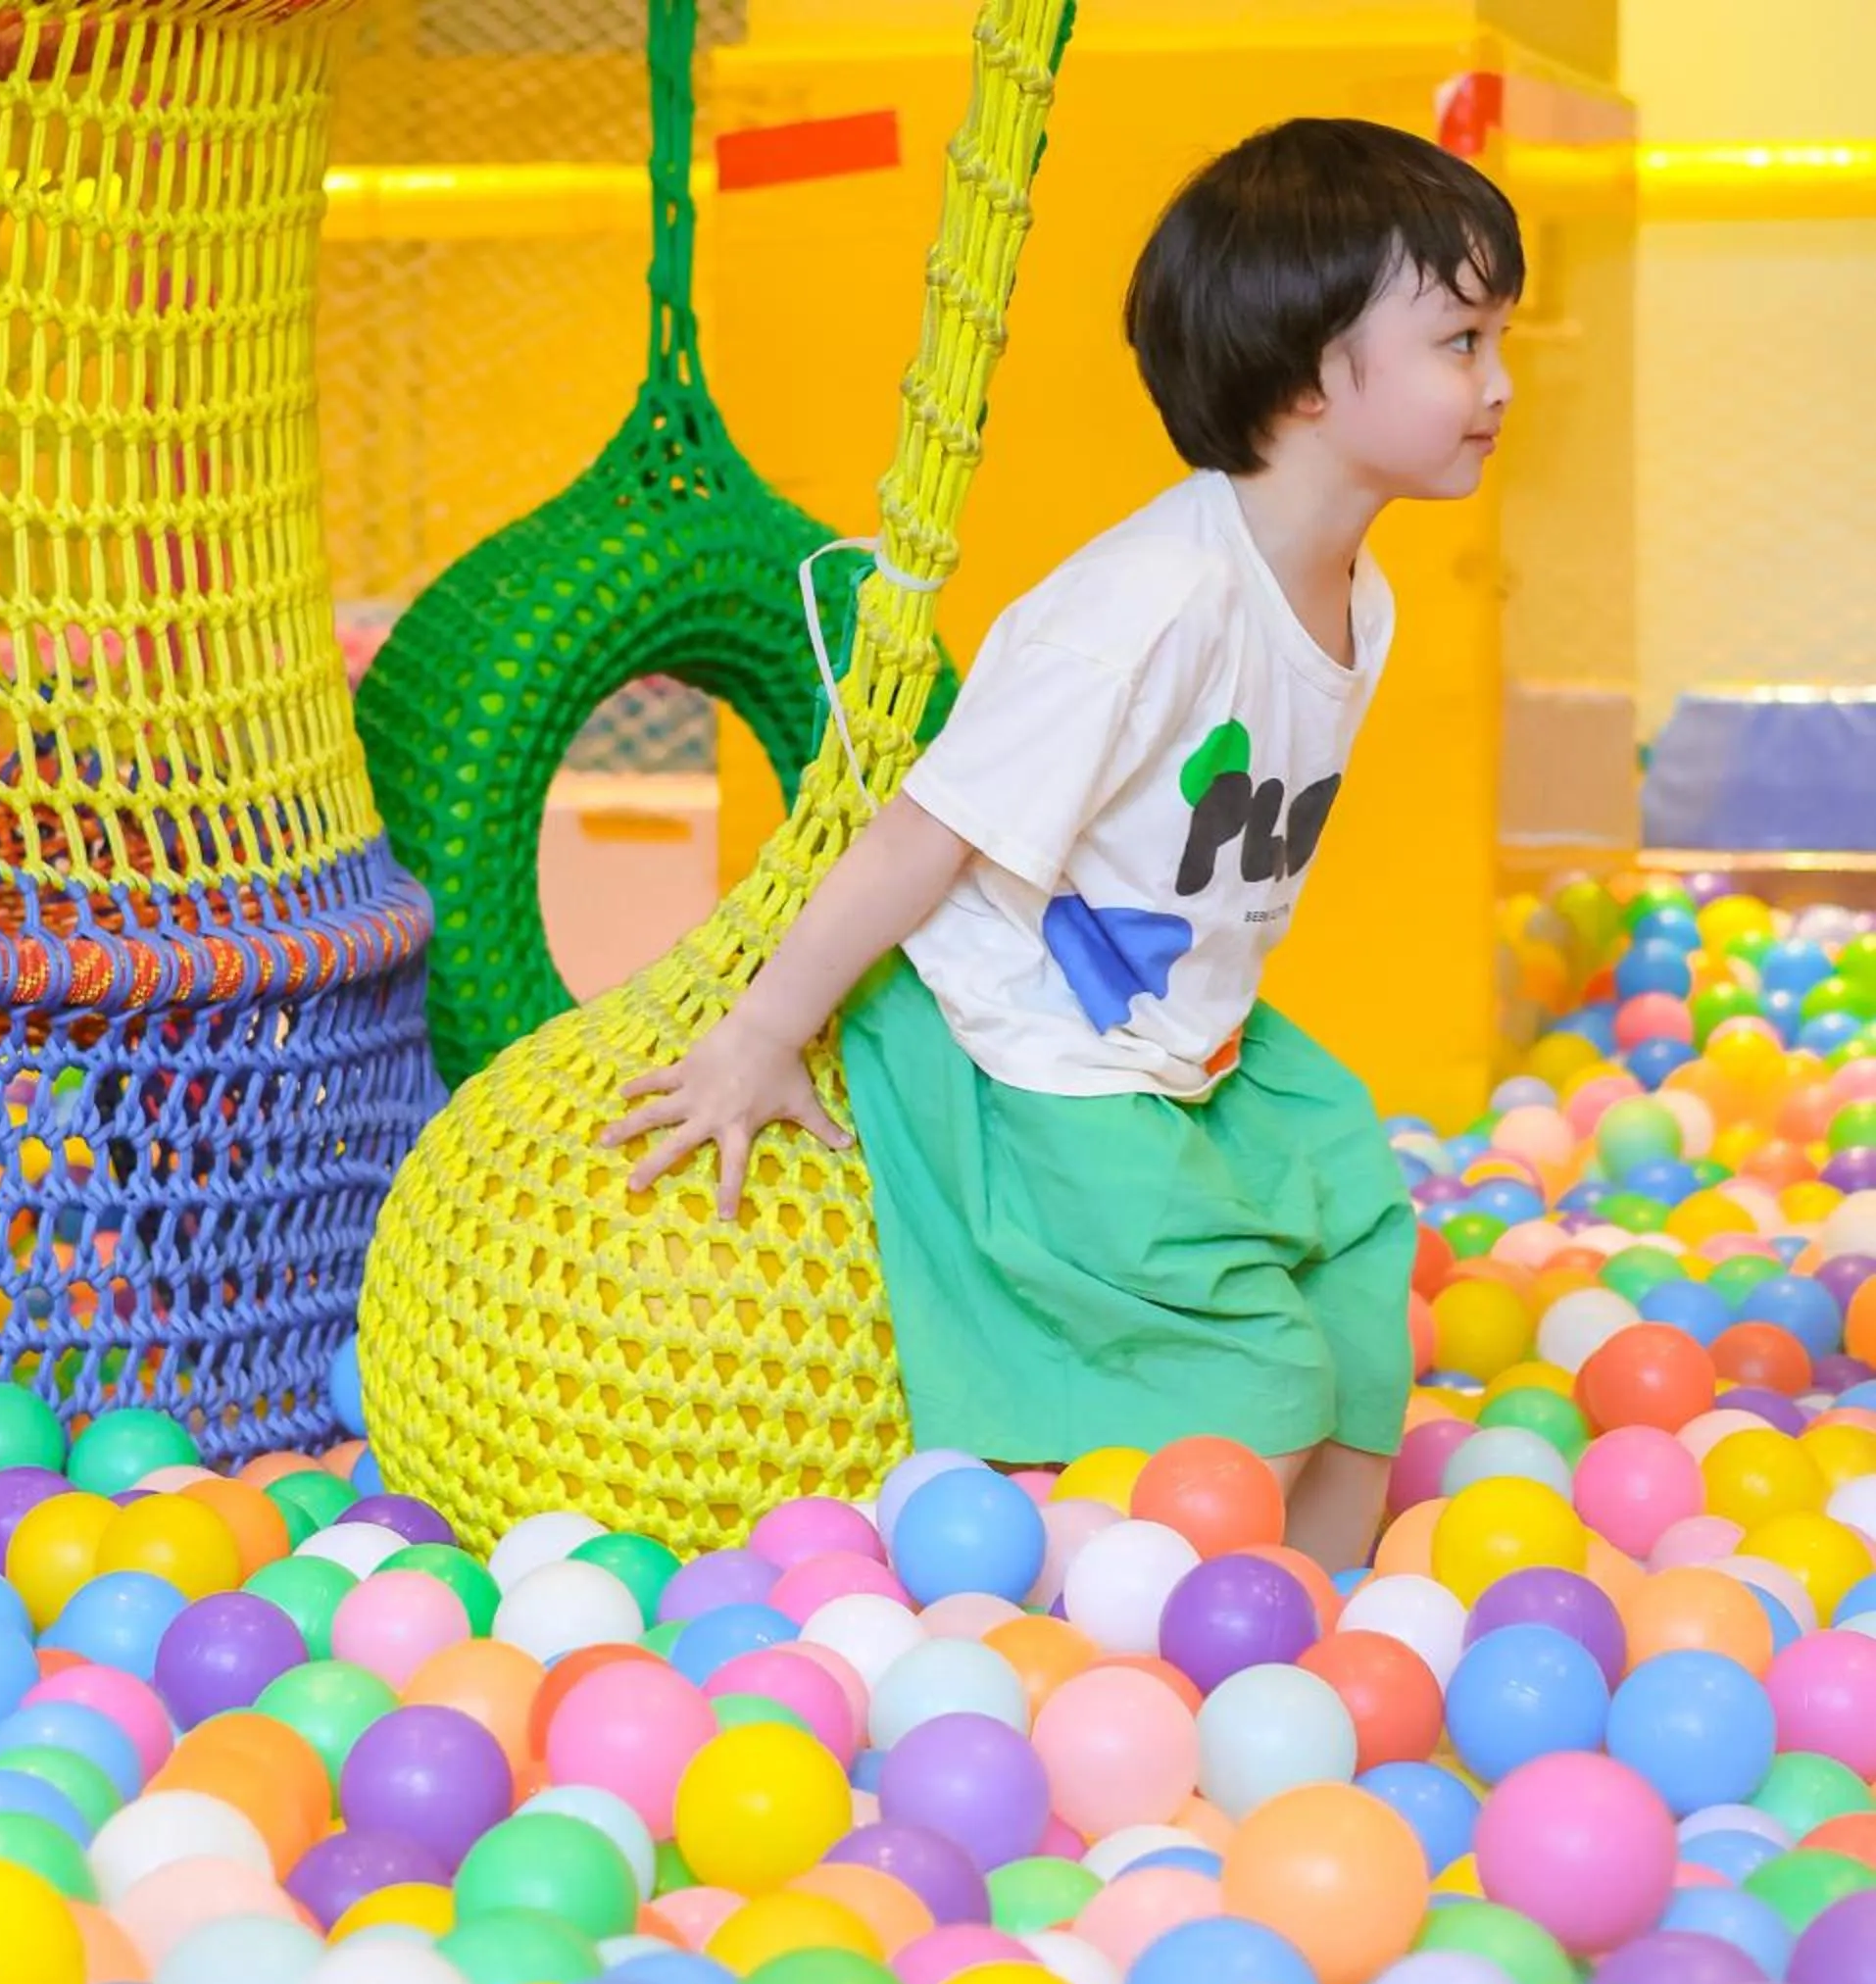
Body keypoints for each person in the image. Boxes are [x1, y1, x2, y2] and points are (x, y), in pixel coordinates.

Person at [604, 117, 1524, 1568]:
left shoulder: (1362, 592)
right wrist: (759, 1033)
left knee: (1353, 1234)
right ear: (1301, 375)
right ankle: (1083, 1615)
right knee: (1257, 1385)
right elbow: (924, 832)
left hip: (1183, 1035)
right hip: (1027, 1045)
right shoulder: (1148, 605)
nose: (1498, 384)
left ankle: (1329, 1612)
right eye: (1460, 342)